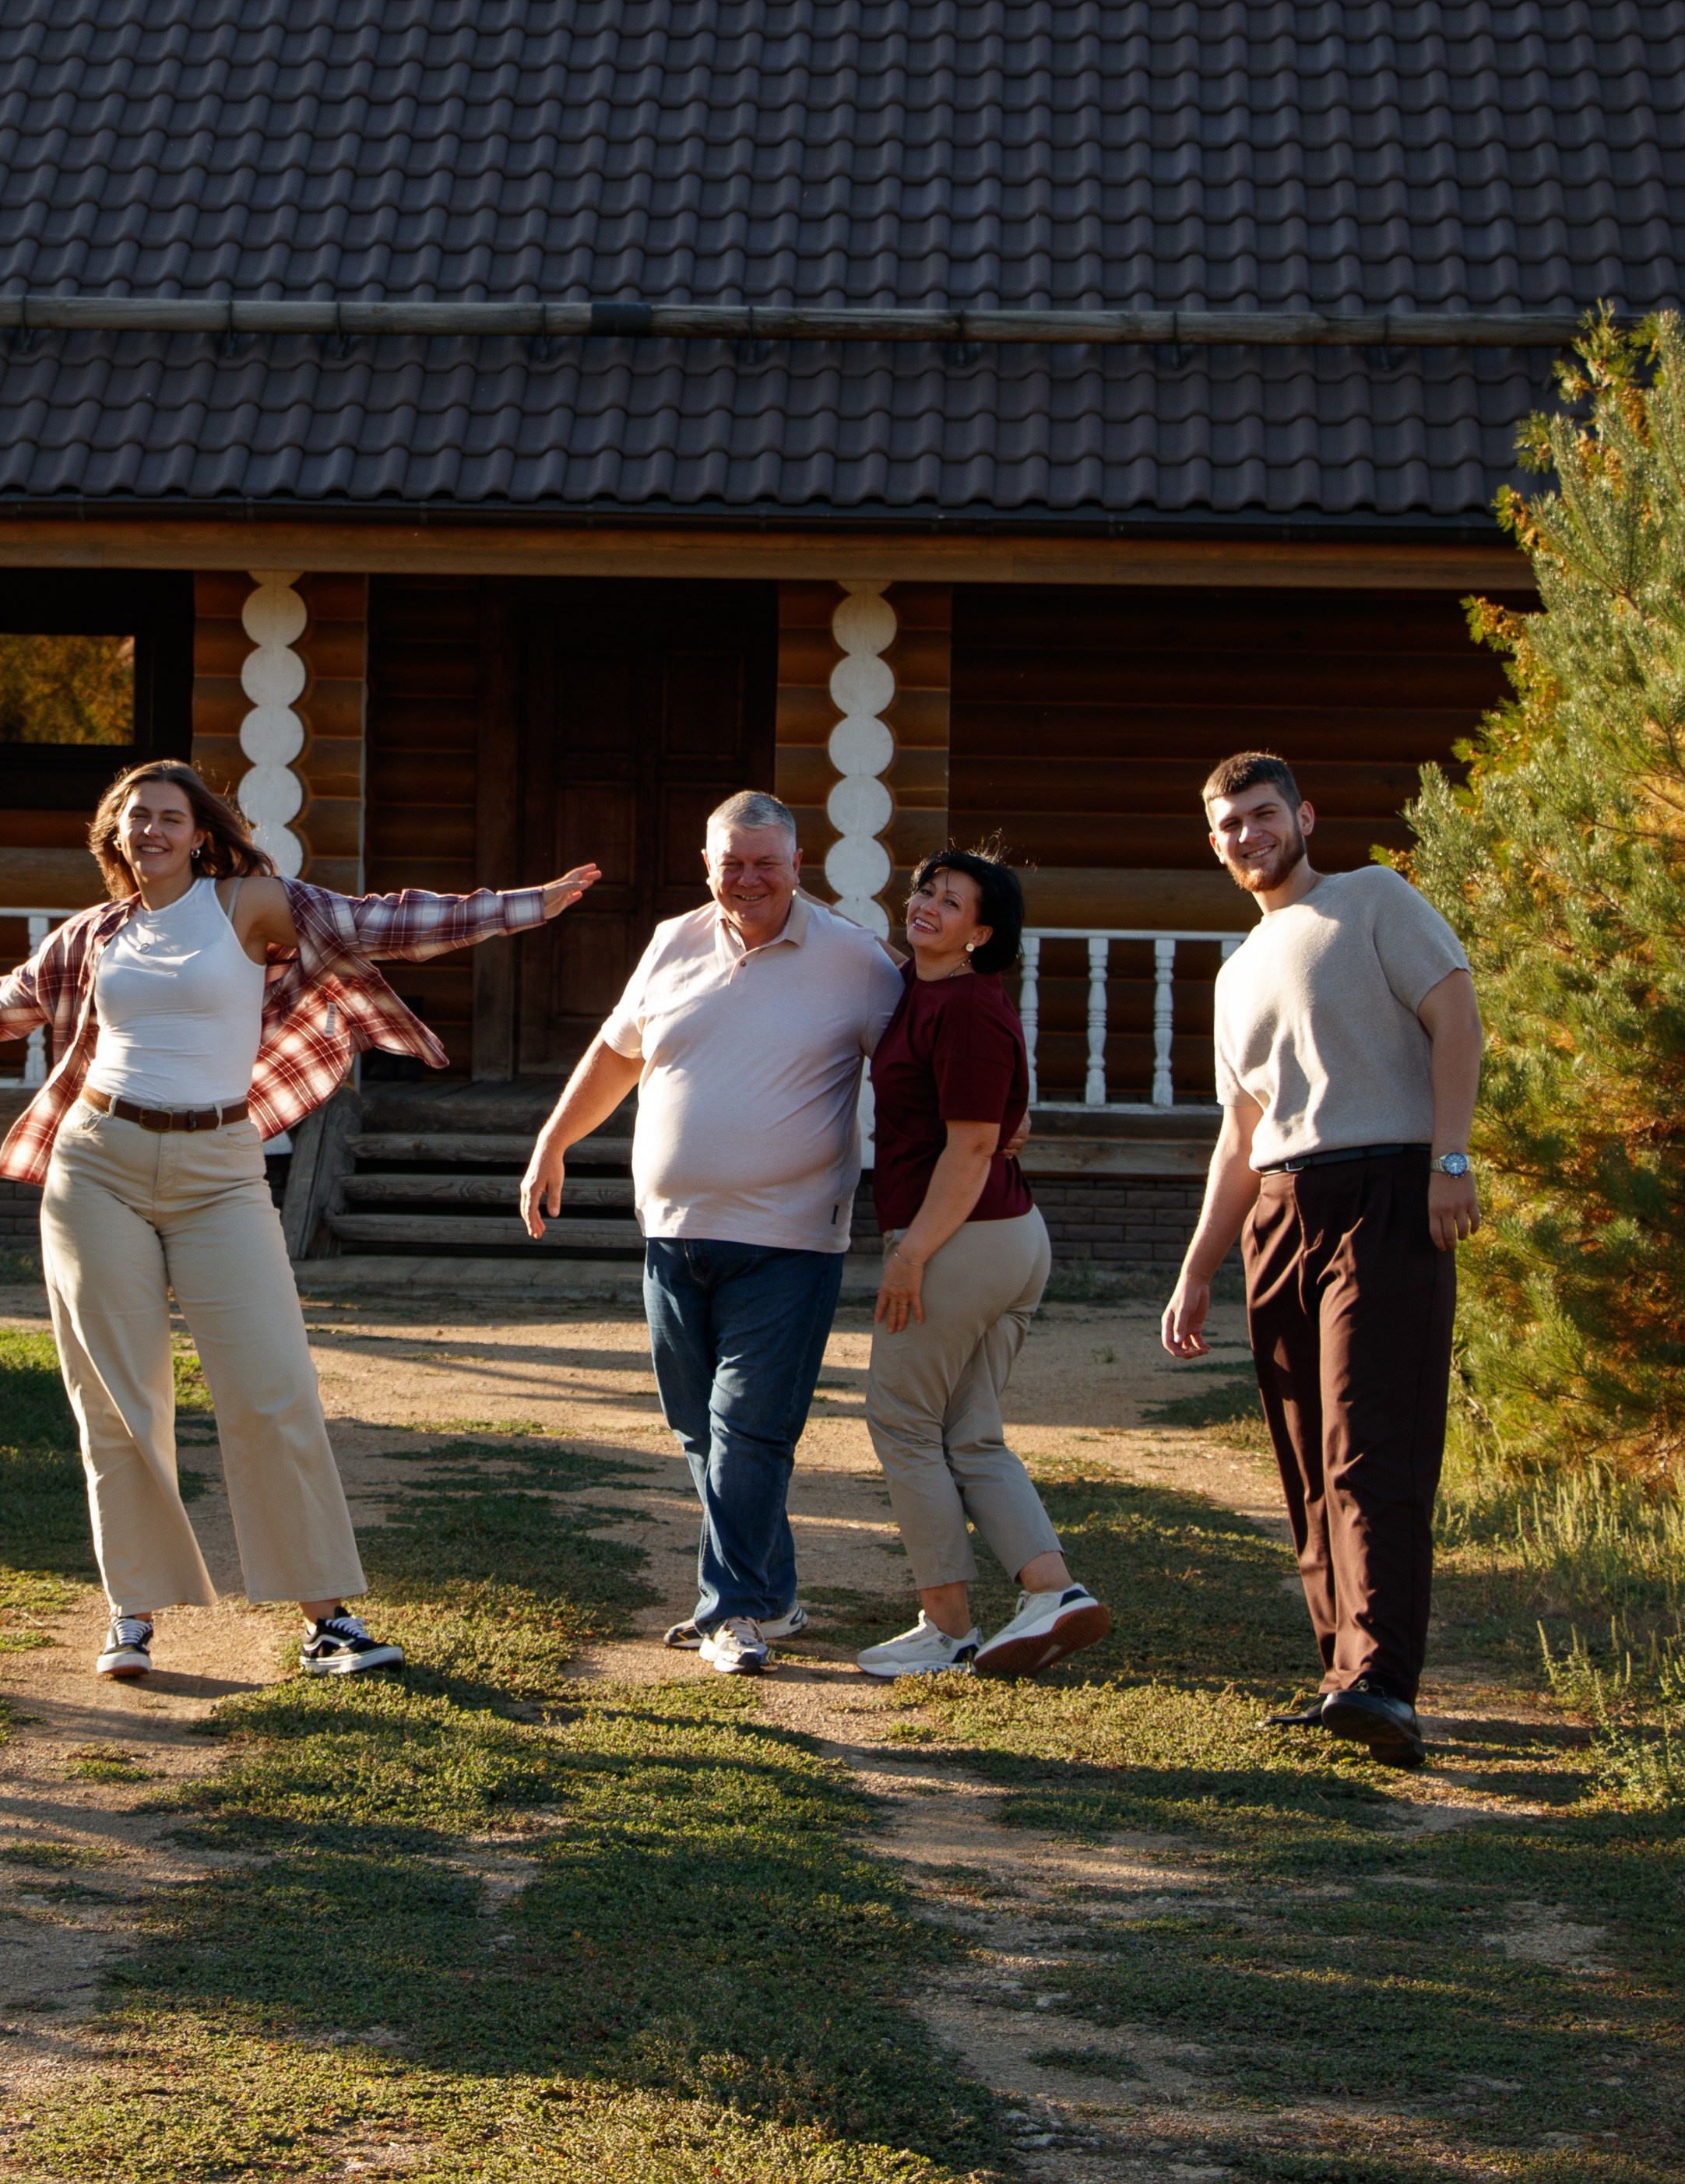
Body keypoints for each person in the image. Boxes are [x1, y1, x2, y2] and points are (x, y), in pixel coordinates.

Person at [0, 759, 598, 1683]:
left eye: (167, 817)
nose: (149, 830)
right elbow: (11, 1001)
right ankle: (132, 1615)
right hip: (97, 1162)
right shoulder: (95, 935)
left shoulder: (249, 906)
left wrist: (521, 906)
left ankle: (326, 1621)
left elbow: (375, 921)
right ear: (114, 837)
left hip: (221, 1169)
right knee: (119, 1397)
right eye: (133, 818)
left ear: (200, 832)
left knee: (273, 1387)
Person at [519, 790, 902, 1677]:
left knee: (748, 1427)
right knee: (701, 1429)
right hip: (673, 1235)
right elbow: (619, 1052)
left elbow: (919, 1064)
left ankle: (728, 1611)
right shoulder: (671, 941)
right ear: (708, 866)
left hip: (792, 1239)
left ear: (799, 865)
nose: (750, 878)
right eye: (733, 863)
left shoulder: (856, 960)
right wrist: (554, 1141)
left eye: (767, 862)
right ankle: (772, 1592)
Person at [1161, 751, 1482, 1770]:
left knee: (1368, 1442)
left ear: (1303, 816)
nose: (1248, 836)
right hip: (1282, 1210)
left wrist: (1449, 1161)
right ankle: (1341, 1673)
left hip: (1386, 1192)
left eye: (1263, 815)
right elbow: (1239, 1131)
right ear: (1213, 846)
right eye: (1228, 826)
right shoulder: (1235, 971)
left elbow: (1457, 1021)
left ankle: (1386, 1682)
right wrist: (1199, 1263)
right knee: (1305, 1456)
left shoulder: (1374, 901)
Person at [858, 847, 1111, 1680]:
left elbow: (970, 1148)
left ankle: (947, 1626)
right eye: (925, 890)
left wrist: (913, 1255)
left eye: (951, 900)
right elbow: (999, 1114)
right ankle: (1053, 1592)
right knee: (970, 1433)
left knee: (901, 1420)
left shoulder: (965, 1006)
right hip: (1001, 1233)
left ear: (983, 931)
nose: (927, 904)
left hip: (961, 1236)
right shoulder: (923, 990)